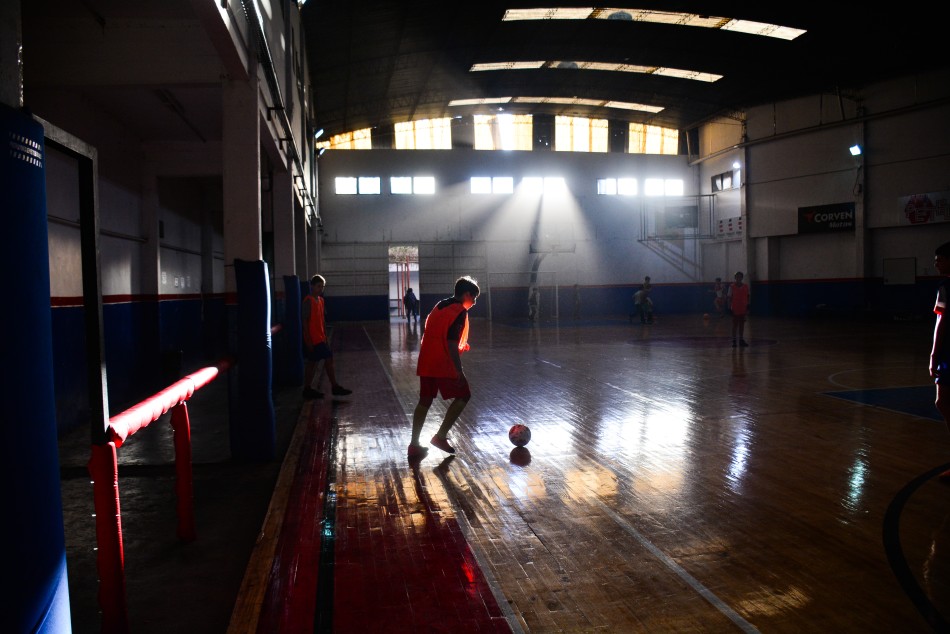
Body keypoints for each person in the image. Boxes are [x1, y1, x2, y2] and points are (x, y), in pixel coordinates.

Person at [408, 276, 480, 460]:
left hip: (427, 360)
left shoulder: (440, 305)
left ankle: (414, 444)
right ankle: (440, 437)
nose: (474, 302)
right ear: (466, 295)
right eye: (473, 298)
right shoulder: (459, 312)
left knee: (424, 401)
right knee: (464, 395)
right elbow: (450, 342)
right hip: (443, 362)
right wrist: (459, 369)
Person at [302, 274, 352, 398]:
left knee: (314, 363)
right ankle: (333, 386)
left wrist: (325, 337)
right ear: (312, 286)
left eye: (322, 287)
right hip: (313, 339)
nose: (321, 289)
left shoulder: (321, 301)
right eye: (318, 286)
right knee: (323, 360)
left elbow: (322, 320)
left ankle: (308, 389)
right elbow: (304, 322)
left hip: (321, 338)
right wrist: (308, 340)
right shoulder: (308, 301)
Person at [931, 242, 950, 478]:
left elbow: (941, 322)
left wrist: (934, 354)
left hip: (948, 354)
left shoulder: (946, 287)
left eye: (940, 258)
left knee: (943, 401)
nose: (936, 263)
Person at [728, 271, 750, 347]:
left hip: (743, 307)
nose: (738, 278)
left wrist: (748, 306)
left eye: (740, 277)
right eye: (737, 277)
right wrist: (729, 308)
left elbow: (747, 296)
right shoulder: (731, 287)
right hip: (735, 307)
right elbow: (729, 298)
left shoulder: (746, 286)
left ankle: (741, 340)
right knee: (735, 325)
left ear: (742, 278)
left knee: (741, 325)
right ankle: (734, 340)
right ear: (735, 278)